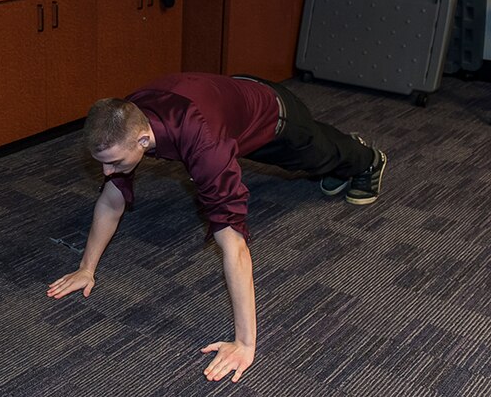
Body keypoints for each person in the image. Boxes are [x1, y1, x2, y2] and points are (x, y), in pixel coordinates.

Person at [47, 72, 387, 383]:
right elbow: (111, 199)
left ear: (143, 140)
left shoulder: (204, 142)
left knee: (317, 156)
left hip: (274, 114)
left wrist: (244, 344)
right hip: (229, 102)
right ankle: (340, 156)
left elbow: (234, 245)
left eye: (115, 163)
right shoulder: (129, 116)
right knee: (315, 159)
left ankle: (367, 158)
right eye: (102, 164)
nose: (108, 172)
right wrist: (86, 269)